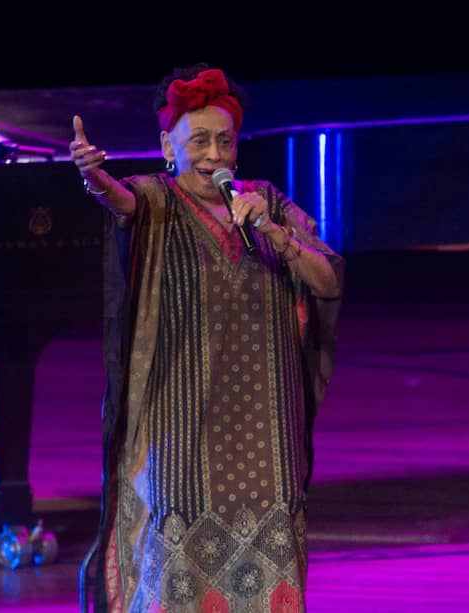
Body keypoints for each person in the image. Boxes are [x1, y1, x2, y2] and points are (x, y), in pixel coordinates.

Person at [70, 63, 344, 611]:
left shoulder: (266, 202)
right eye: (199, 141)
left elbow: (329, 280)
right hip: (179, 432)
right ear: (167, 146)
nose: (214, 154)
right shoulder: (155, 200)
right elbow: (117, 199)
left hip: (269, 435)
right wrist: (93, 177)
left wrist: (270, 230)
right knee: (177, 554)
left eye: (224, 140)